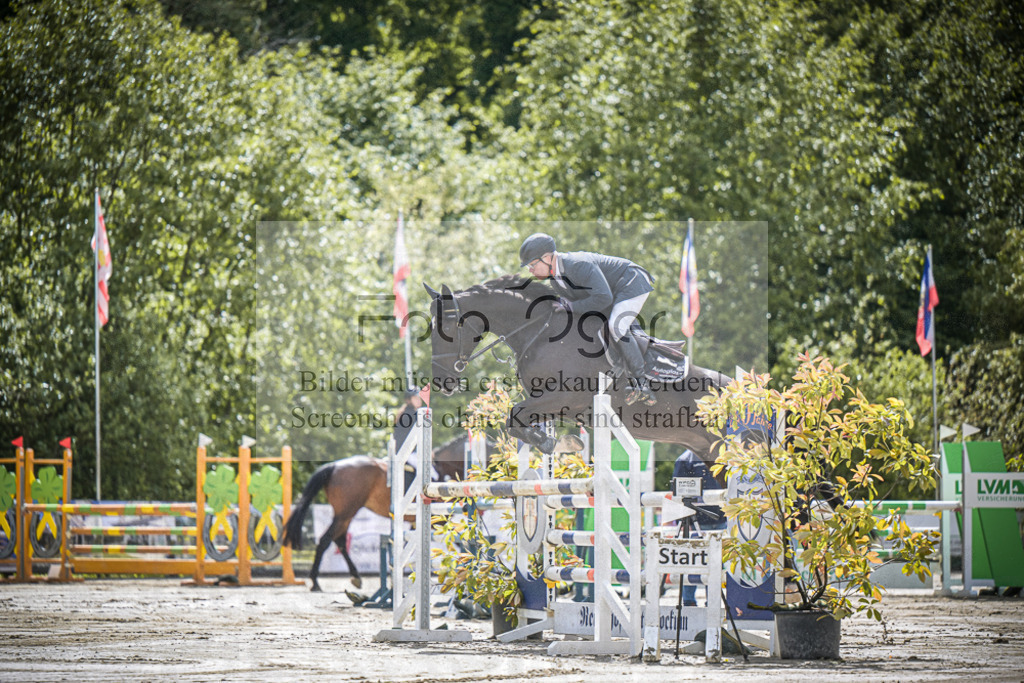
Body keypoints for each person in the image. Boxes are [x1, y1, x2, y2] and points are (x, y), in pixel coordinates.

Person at [518, 232, 657, 405]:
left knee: (616, 326)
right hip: (612, 292)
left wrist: (570, 307)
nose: (530, 270)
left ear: (546, 257)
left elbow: (603, 298)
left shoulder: (576, 264)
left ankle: (641, 383)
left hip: (631, 281)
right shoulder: (555, 280)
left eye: (532, 264)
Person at [672, 449, 725, 606]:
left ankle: (713, 600)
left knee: (715, 563)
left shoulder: (721, 455)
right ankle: (689, 602)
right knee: (692, 560)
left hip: (720, 517)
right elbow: (678, 490)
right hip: (697, 520)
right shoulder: (686, 459)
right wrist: (681, 518)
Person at [392, 386, 428, 492]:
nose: (418, 400)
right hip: (408, 453)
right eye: (415, 398)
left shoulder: (407, 412)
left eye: (419, 397)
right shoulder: (413, 414)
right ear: (409, 400)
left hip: (405, 451)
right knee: (433, 474)